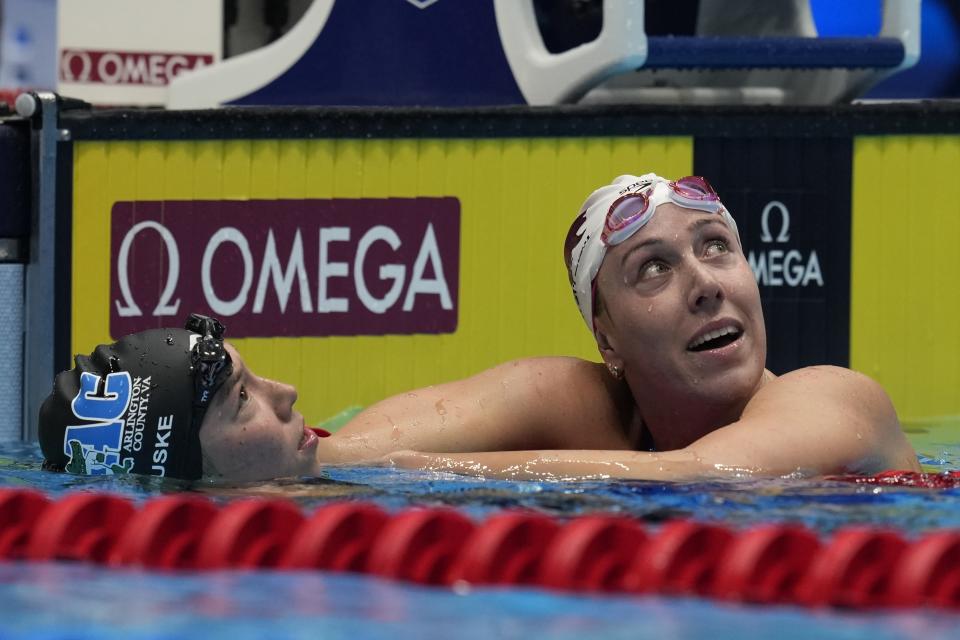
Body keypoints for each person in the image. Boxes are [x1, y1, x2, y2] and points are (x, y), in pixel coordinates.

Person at [39, 173, 920, 482]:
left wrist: (429, 474)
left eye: (718, 248)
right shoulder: (573, 399)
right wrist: (215, 456)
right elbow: (336, 452)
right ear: (606, 339)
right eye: (653, 268)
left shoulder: (837, 402)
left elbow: (703, 478)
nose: (704, 284)